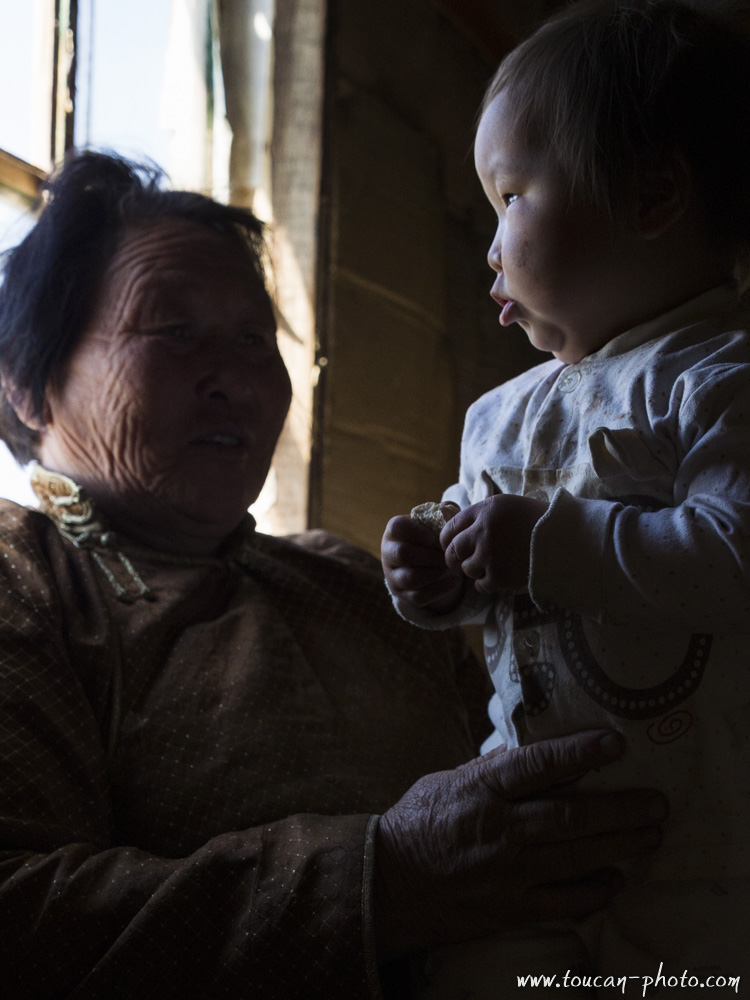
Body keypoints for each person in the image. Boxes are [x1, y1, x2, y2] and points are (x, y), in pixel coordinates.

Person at [0, 151, 665, 1000]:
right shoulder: (24, 576)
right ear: (27, 383)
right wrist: (384, 880)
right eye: (172, 331)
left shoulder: (346, 577)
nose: (238, 378)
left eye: (254, 338)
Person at [382, 0, 750, 994]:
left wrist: (548, 542)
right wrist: (436, 568)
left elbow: (734, 556)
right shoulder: (497, 414)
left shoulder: (717, 376)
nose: (490, 243)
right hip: (528, 838)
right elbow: (492, 564)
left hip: (706, 856)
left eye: (510, 197)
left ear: (653, 195)